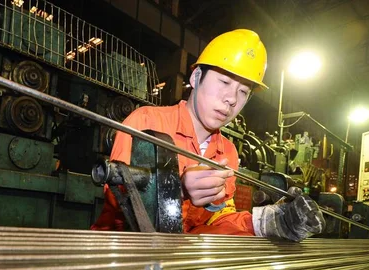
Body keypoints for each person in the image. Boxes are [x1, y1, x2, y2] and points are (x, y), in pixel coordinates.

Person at [91, 29, 325, 242]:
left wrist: (269, 221)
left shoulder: (228, 152)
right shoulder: (146, 121)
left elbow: (217, 221)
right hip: (121, 249)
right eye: (224, 81)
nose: (231, 99)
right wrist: (176, 189)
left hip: (178, 256)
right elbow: (119, 201)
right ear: (196, 78)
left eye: (242, 91)